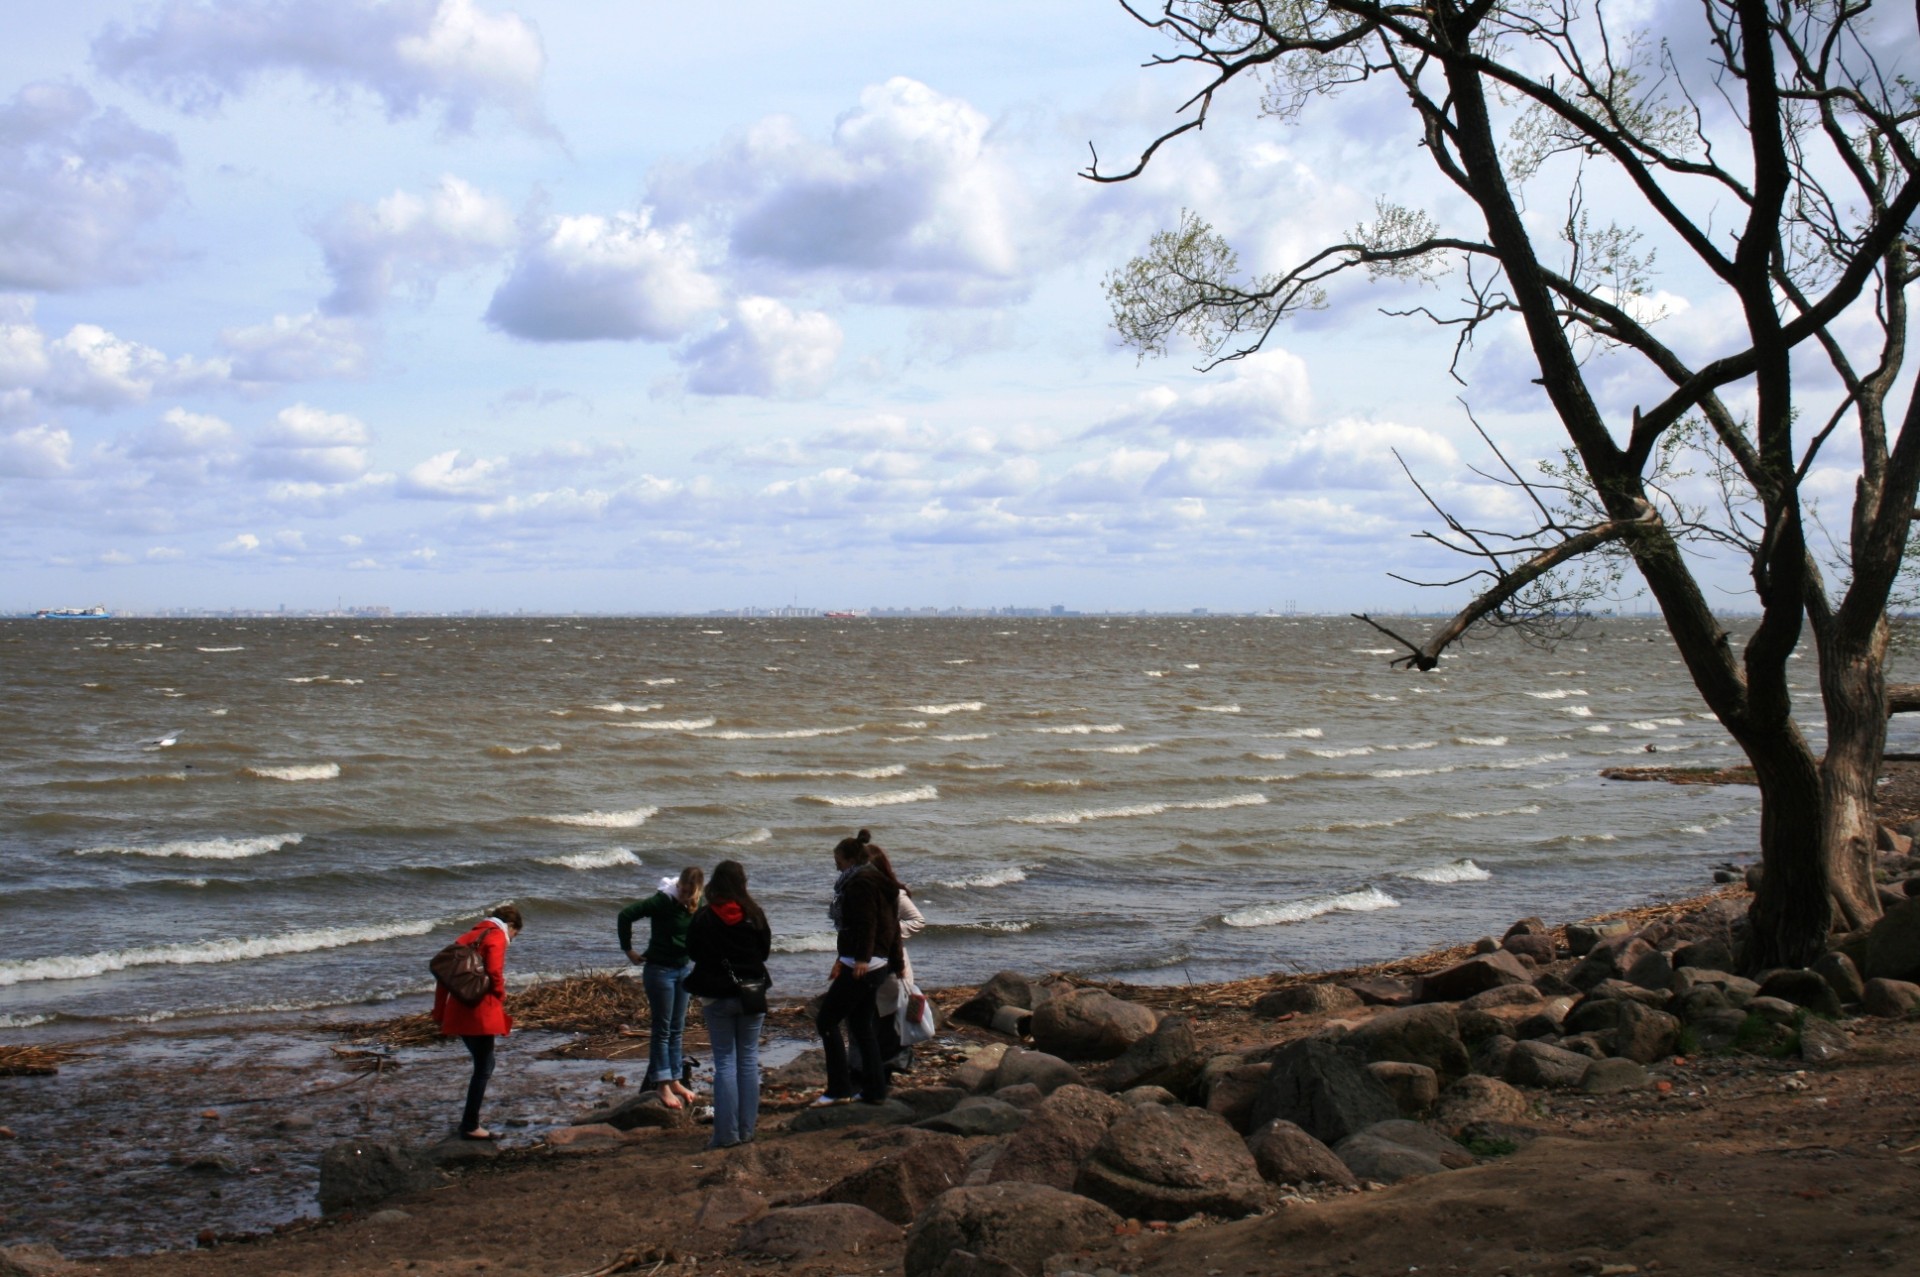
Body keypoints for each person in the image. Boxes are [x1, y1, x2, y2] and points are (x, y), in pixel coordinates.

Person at [685, 859, 772, 1149]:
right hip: (751, 993)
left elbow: (693, 952)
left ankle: (725, 1135)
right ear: (742, 882)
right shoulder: (754, 914)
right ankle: (747, 1131)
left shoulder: (705, 917)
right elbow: (764, 952)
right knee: (747, 1060)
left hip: (716, 995)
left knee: (725, 1062)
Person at [813, 829, 903, 1106]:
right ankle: (875, 1090)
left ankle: (838, 1089)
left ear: (850, 859)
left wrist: (861, 958)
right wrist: (894, 962)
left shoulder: (859, 883)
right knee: (861, 1024)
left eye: (838, 860)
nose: (835, 865)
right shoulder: (876, 880)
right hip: (876, 963)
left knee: (826, 1021)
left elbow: (868, 923)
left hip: (863, 965)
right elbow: (892, 925)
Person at [431, 904, 523, 1140]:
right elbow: (494, 971)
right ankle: (470, 1124)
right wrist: (501, 994)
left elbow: (444, 977)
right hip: (480, 1011)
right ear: (511, 926)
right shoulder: (496, 937)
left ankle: (470, 1122)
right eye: (515, 934)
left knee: (484, 1063)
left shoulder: (467, 936)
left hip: (458, 1008)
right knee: (484, 1066)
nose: (513, 939)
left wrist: (439, 1011)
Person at [617, 866, 704, 1109]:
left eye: (691, 893)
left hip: (683, 969)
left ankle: (675, 1080)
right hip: (660, 971)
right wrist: (629, 949)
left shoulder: (699, 903)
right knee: (662, 1029)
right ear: (679, 885)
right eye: (683, 890)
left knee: (677, 1028)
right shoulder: (663, 900)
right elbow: (625, 915)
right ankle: (661, 1084)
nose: (686, 896)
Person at [866, 846, 925, 1078]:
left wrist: (888, 931)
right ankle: (878, 1067)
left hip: (893, 965)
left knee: (893, 1017)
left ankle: (893, 1067)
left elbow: (918, 921)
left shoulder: (895, 894)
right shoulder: (861, 895)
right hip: (869, 964)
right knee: (876, 1018)